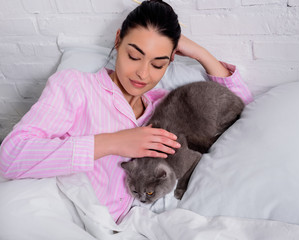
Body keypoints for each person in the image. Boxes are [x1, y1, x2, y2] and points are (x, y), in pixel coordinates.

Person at [0, 0, 253, 224]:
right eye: (134, 55)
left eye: (158, 63)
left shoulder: (162, 107)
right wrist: (113, 143)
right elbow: (10, 156)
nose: (143, 73)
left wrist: (199, 53)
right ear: (118, 40)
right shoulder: (75, 87)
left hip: (120, 228)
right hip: (60, 217)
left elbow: (243, 106)